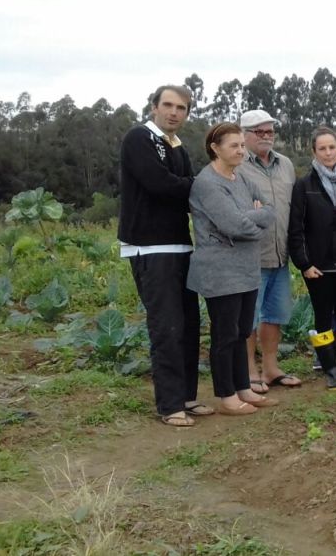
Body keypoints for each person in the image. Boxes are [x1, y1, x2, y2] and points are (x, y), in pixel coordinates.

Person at [118, 84, 204, 427]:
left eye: (181, 108)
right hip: (150, 247)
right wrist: (202, 185)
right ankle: (169, 406)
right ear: (154, 107)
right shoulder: (139, 138)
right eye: (167, 105)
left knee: (188, 324)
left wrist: (191, 186)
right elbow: (160, 183)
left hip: (180, 245)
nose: (174, 112)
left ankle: (187, 397)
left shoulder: (177, 145)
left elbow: (180, 189)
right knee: (166, 326)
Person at [187, 122, 277, 415]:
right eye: (233, 146)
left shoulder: (242, 178)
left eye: (241, 145)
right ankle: (226, 396)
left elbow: (269, 210)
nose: (240, 150)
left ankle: (243, 388)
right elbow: (232, 224)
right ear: (215, 148)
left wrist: (251, 217)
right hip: (220, 272)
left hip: (247, 269)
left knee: (241, 331)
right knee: (224, 335)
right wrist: (254, 219)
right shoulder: (206, 183)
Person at [289, 127, 336, 390]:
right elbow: (296, 229)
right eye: (322, 148)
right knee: (323, 316)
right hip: (318, 267)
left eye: (331, 147)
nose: (328, 153)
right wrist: (304, 263)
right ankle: (331, 371)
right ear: (314, 152)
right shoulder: (303, 186)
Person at [238, 110, 300, 393]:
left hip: (280, 253)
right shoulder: (237, 165)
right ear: (244, 135)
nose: (266, 137)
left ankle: (271, 368)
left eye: (270, 132)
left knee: (275, 314)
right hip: (250, 254)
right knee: (248, 316)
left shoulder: (285, 164)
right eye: (258, 132)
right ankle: (249, 370)